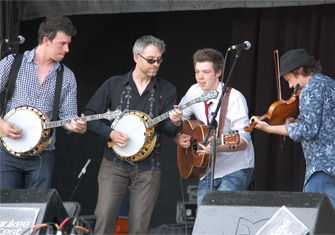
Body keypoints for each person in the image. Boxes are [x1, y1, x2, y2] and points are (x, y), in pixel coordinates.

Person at [83, 35, 182, 234]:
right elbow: (89, 117)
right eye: (151, 60)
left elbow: (168, 130)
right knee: (104, 218)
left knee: (139, 226)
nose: (157, 64)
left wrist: (176, 123)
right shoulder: (114, 84)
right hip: (114, 164)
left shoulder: (167, 89)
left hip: (148, 167)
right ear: (137, 58)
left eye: (159, 60)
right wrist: (110, 133)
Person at [251, 48, 335, 233]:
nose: (289, 86)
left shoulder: (310, 89)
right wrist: (295, 120)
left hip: (324, 169)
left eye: (289, 79)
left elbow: (307, 130)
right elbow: (327, 124)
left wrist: (268, 128)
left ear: (301, 71)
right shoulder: (333, 85)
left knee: (308, 226)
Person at [0, 16, 87, 190]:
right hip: (7, 150)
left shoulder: (67, 76)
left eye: (68, 44)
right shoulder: (13, 62)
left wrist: (75, 125)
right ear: (46, 40)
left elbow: (68, 116)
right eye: (62, 44)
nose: (67, 49)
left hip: (43, 155)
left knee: (37, 210)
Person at [174, 48, 255, 206]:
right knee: (204, 218)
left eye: (205, 72)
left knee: (224, 214)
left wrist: (217, 147)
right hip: (207, 169)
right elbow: (178, 121)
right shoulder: (194, 92)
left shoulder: (234, 98)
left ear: (218, 72)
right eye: (197, 72)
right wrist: (177, 137)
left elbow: (243, 139)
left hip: (235, 167)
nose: (200, 77)